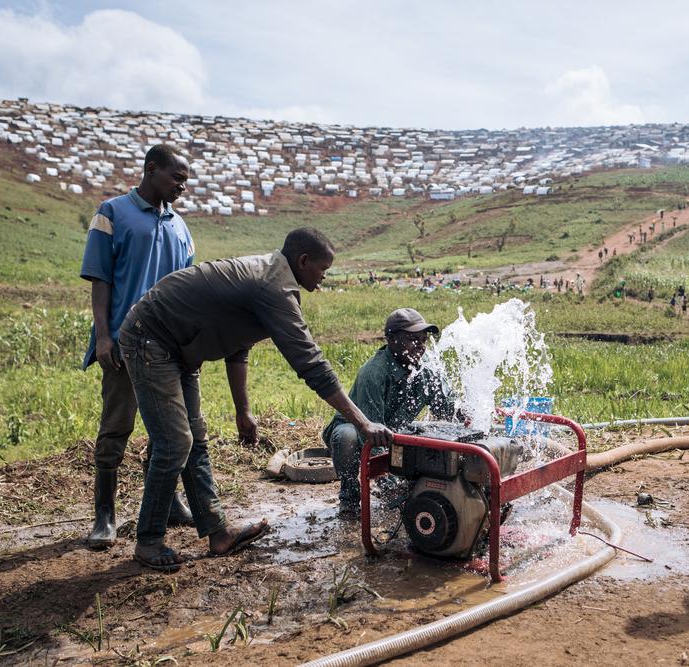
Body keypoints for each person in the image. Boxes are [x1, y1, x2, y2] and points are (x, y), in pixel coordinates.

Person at [119, 228, 393, 571]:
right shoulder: (273, 288)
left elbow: (238, 346)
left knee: (195, 439)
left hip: (182, 349)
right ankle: (148, 541)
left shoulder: (272, 279)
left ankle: (217, 533)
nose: (323, 278)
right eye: (322, 269)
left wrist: (242, 410)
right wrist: (362, 421)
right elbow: (312, 364)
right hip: (151, 337)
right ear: (303, 261)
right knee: (175, 442)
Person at [80, 144, 201, 550]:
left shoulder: (180, 227)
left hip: (167, 350)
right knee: (116, 427)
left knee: (169, 430)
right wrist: (102, 336)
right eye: (176, 178)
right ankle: (105, 514)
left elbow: (187, 292)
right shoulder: (112, 213)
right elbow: (101, 278)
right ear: (152, 170)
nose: (182, 186)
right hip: (122, 344)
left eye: (185, 180)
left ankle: (168, 503)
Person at [322, 308, 460, 518]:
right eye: (412, 339)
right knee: (346, 438)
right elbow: (371, 435)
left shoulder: (426, 371)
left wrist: (465, 413)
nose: (420, 346)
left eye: (423, 340)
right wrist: (389, 485)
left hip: (394, 432)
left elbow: (447, 410)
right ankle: (349, 498)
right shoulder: (373, 373)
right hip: (361, 429)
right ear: (392, 340)